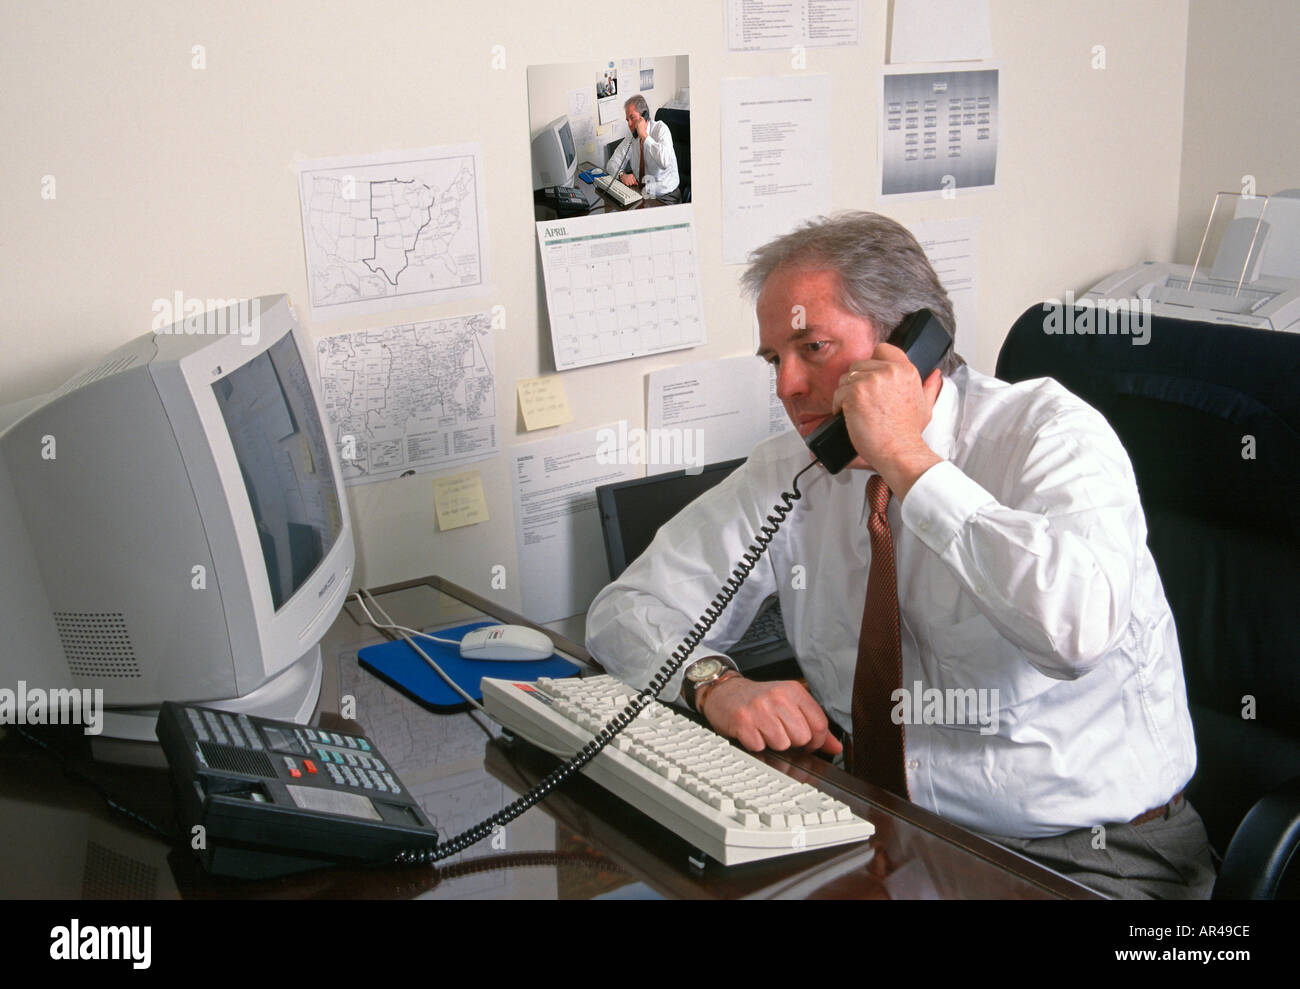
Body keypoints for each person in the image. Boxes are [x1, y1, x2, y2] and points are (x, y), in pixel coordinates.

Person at [585, 211, 1216, 898]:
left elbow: (1073, 631)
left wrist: (910, 463)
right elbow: (626, 608)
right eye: (775, 359)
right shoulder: (792, 471)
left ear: (910, 343)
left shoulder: (1050, 436)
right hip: (882, 831)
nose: (786, 387)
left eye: (813, 348)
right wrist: (714, 682)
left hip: (1085, 858)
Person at [616, 95, 679, 202]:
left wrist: (645, 136)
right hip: (641, 192)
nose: (629, 124)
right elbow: (612, 163)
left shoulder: (661, 129)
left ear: (644, 116)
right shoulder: (631, 137)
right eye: (627, 120)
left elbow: (665, 162)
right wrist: (622, 175)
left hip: (665, 196)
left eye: (632, 118)